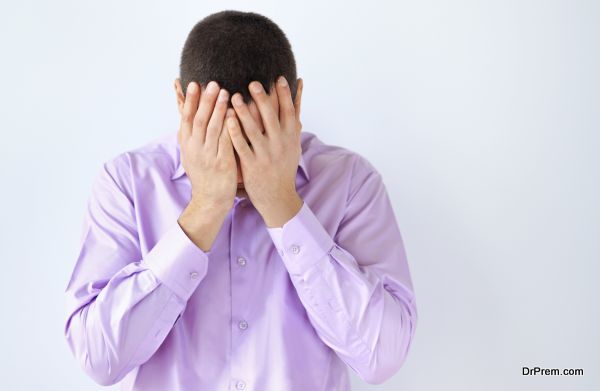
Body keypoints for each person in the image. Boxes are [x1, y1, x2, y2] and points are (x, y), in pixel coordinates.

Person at [63, 10, 418, 391]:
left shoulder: (350, 182)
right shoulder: (127, 183)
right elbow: (99, 359)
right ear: (182, 103)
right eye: (219, 134)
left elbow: (382, 357)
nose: (240, 165)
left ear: (295, 103)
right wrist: (205, 207)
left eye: (255, 136)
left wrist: (283, 203)